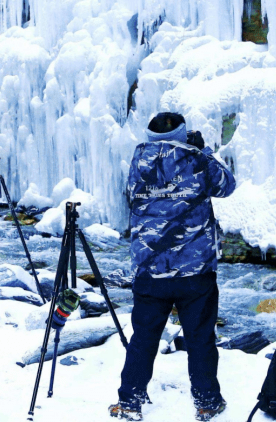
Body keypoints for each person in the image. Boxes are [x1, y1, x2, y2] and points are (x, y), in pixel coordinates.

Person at [110, 112, 236, 422]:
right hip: (195, 270)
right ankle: (207, 402)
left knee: (143, 338)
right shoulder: (196, 159)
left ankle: (130, 401)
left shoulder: (138, 160)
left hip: (151, 269)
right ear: (182, 134)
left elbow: (133, 199)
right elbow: (226, 185)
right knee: (201, 338)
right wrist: (202, 151)